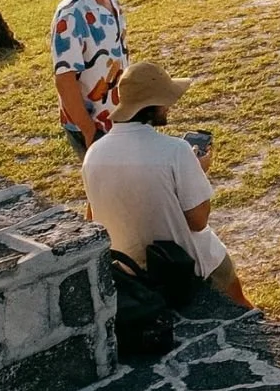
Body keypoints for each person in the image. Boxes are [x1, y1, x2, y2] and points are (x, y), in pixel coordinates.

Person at [81, 61, 250, 307]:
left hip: (126, 266)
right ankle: (266, 323)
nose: (169, 107)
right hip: (178, 263)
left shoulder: (94, 153)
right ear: (156, 105)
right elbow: (198, 221)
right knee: (224, 270)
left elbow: (92, 217)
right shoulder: (176, 151)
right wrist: (198, 170)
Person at [53, 0, 129, 160]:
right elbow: (65, 79)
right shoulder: (71, 14)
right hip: (92, 125)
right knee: (106, 191)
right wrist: (88, 130)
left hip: (116, 117)